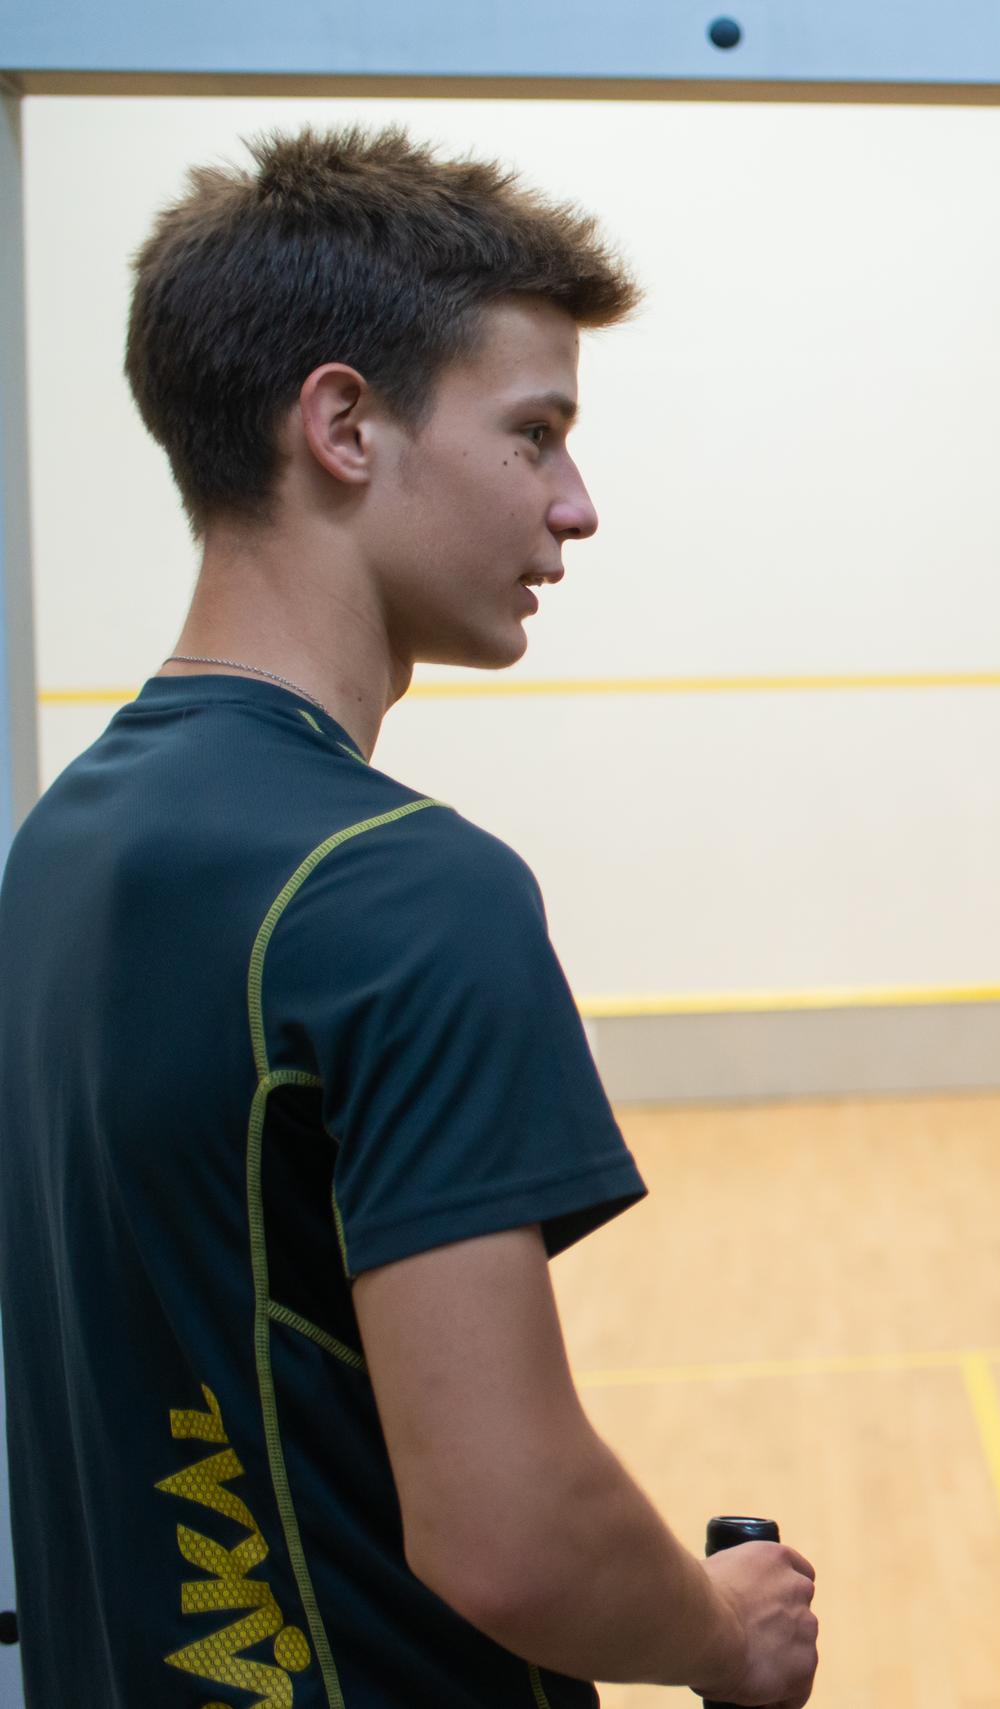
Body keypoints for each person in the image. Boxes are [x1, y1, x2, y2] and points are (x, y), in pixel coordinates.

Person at [0, 128, 818, 1707]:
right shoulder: (406, 893)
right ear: (344, 426)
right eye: (535, 434)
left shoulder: (60, 848)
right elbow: (514, 1535)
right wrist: (725, 1635)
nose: (576, 506)